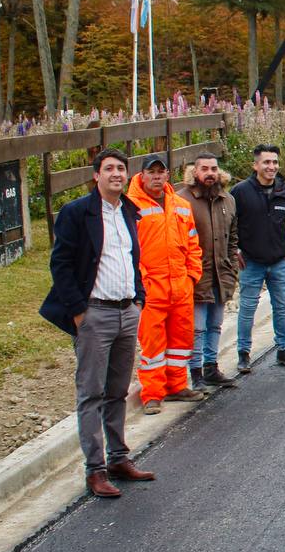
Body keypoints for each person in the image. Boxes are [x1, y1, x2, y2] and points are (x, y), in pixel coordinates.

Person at [40, 149, 155, 498]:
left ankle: (119, 458)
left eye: (121, 168)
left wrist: (138, 298)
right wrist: (78, 311)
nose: (116, 174)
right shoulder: (78, 212)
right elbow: (60, 264)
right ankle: (95, 469)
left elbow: (132, 259)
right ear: (96, 175)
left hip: (126, 312)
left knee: (118, 391)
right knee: (91, 393)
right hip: (94, 314)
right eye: (109, 169)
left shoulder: (129, 212)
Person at [126, 154, 204, 414]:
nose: (157, 177)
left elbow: (193, 243)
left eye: (161, 172)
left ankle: (177, 385)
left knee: (180, 341)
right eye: (152, 172)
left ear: (168, 175)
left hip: (180, 285)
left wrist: (191, 276)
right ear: (142, 176)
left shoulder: (181, 205)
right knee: (153, 345)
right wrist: (142, 282)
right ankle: (152, 394)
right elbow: (129, 250)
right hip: (152, 287)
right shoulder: (130, 207)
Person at [232, 144, 285, 372]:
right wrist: (235, 249)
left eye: (274, 162)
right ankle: (243, 353)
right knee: (247, 308)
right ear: (256, 165)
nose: (271, 167)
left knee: (281, 306)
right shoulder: (240, 192)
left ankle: (283, 348)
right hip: (250, 261)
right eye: (266, 162)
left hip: (278, 261)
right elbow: (229, 223)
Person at [177, 153, 238, 390]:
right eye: (204, 169)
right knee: (197, 327)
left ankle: (211, 367)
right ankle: (196, 373)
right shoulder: (182, 200)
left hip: (220, 274)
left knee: (215, 324)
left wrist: (231, 268)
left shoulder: (228, 200)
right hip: (195, 276)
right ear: (195, 172)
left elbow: (233, 238)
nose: (210, 173)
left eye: (214, 168)